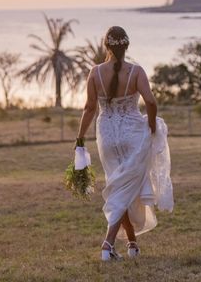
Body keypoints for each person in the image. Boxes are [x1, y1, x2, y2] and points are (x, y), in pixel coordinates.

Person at [74, 26, 174, 261]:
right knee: (127, 187)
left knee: (120, 186)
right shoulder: (136, 71)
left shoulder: (95, 72)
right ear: (126, 46)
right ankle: (108, 244)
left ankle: (132, 244)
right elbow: (150, 101)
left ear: (105, 46)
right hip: (132, 134)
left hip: (106, 135)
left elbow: (89, 108)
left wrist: (79, 138)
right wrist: (150, 125)